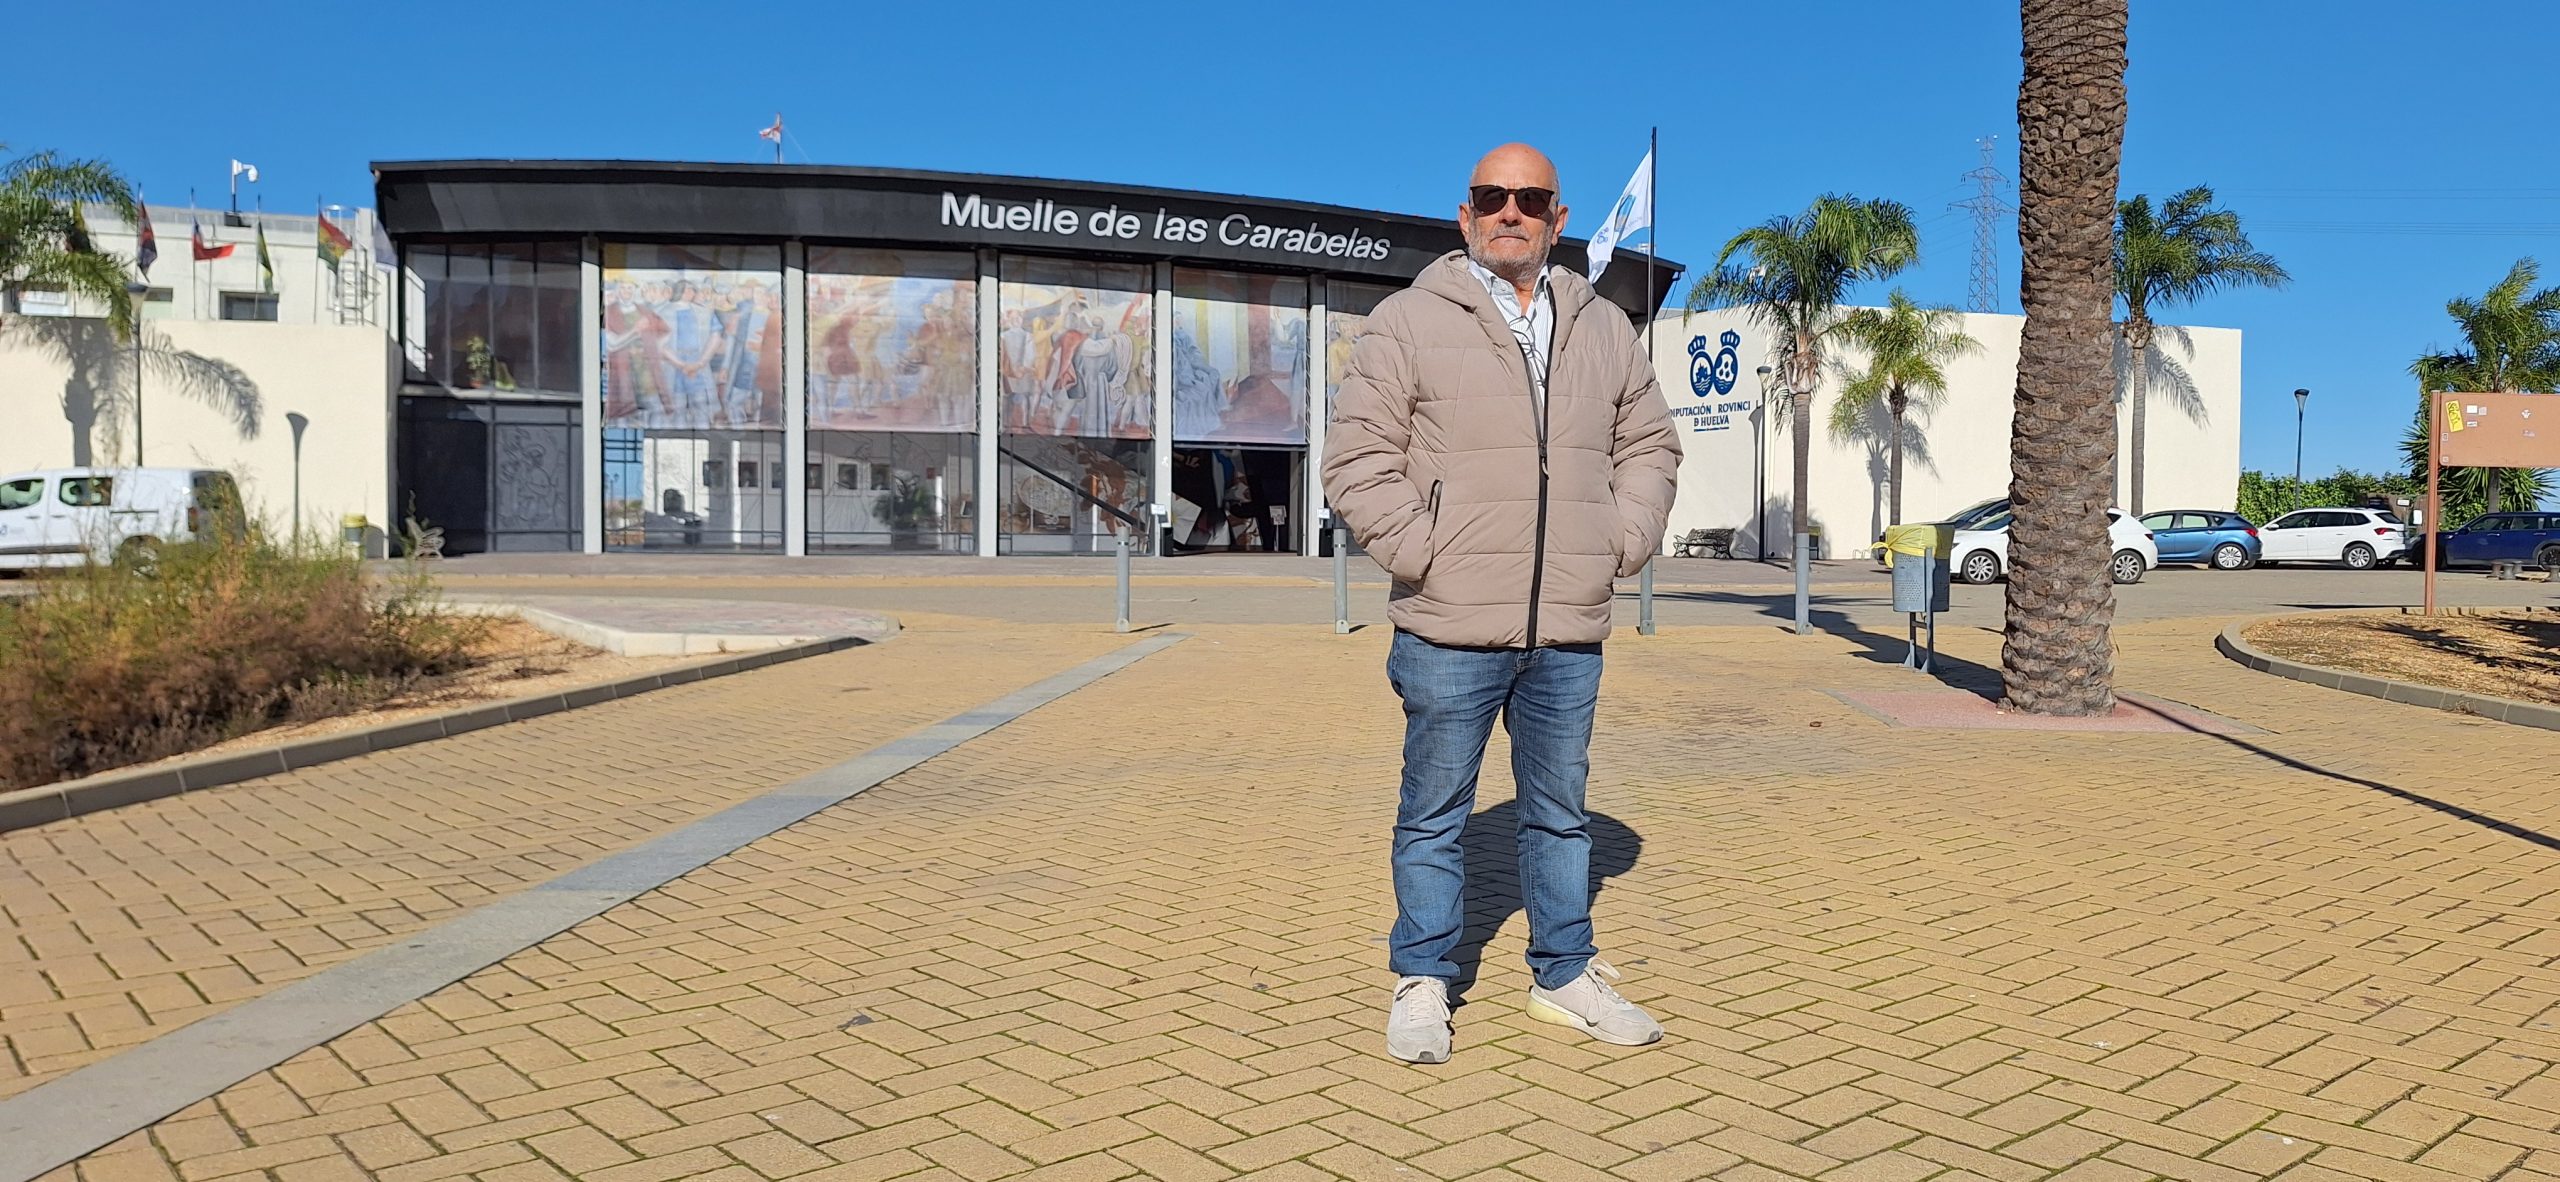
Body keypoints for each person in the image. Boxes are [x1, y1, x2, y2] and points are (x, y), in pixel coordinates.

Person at [1322, 143, 1683, 1064]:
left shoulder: (1604, 327)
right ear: (1466, 215)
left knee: (1560, 813)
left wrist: (1619, 542)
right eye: (1491, 197)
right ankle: (1423, 977)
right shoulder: (1407, 321)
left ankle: (1564, 973)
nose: (1509, 212)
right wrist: (1426, 555)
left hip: (1567, 625)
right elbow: (1358, 459)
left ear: (1559, 219)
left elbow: (1650, 445)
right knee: (1434, 814)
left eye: (1529, 198)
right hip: (1448, 625)